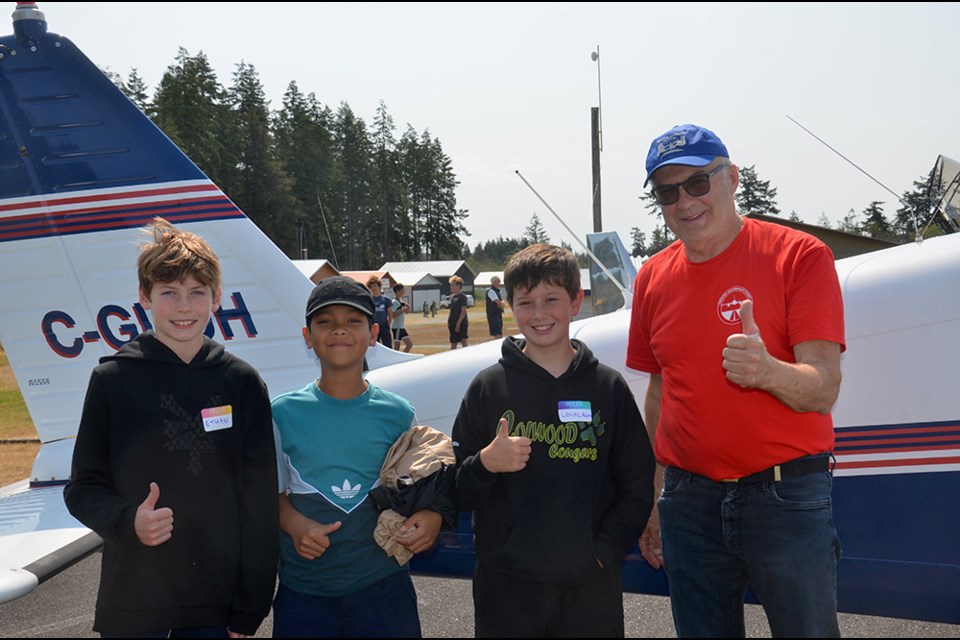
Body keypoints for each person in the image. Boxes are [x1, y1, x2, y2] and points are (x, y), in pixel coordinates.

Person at [626, 124, 845, 637]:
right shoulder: (652, 277)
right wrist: (653, 497)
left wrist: (766, 371)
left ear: (732, 179)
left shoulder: (800, 256)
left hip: (783, 496)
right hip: (687, 501)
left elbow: (825, 386)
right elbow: (660, 390)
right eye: (667, 191)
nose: (685, 201)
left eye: (699, 182)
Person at [63, 217, 278, 638]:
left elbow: (259, 505)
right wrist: (129, 522)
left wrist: (250, 605)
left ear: (216, 298)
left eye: (197, 293)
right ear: (144, 297)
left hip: (215, 608)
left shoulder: (242, 383)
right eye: (169, 293)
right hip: (132, 603)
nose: (184, 307)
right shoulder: (113, 380)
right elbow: (82, 489)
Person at [452, 243, 655, 638]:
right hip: (507, 592)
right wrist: (485, 464)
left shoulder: (608, 388)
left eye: (552, 299)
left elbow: (636, 484)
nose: (540, 314)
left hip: (591, 591)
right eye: (526, 302)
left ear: (576, 302)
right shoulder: (488, 388)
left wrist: (603, 553)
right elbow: (454, 490)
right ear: (510, 305)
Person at [270, 275, 448, 637]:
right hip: (305, 594)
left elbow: (424, 486)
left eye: (353, 321)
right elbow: (267, 495)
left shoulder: (399, 412)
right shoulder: (281, 413)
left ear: (374, 333)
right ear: (307, 336)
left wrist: (431, 516)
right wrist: (293, 524)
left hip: (383, 591)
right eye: (325, 322)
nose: (339, 331)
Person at [366, 276, 393, 349]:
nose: (374, 288)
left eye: (375, 286)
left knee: (388, 346)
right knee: (374, 346)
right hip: (373, 327)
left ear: (379, 286)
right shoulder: (369, 300)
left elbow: (390, 313)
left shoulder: (386, 299)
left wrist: (388, 324)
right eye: (371, 287)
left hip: (384, 326)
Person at [447, 275, 469, 349]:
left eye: (453, 285)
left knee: (463, 340)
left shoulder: (462, 297)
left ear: (458, 286)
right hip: (452, 322)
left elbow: (463, 311)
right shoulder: (452, 297)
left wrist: (458, 324)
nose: (451, 287)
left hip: (461, 323)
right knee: (454, 342)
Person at [391, 283, 414, 352]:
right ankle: (396, 360)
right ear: (397, 291)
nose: (404, 291)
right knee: (397, 347)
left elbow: (406, 312)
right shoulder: (394, 302)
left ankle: (403, 359)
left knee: (409, 344)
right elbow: (392, 314)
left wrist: (408, 308)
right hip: (396, 326)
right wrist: (402, 310)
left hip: (401, 326)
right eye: (402, 290)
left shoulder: (400, 301)